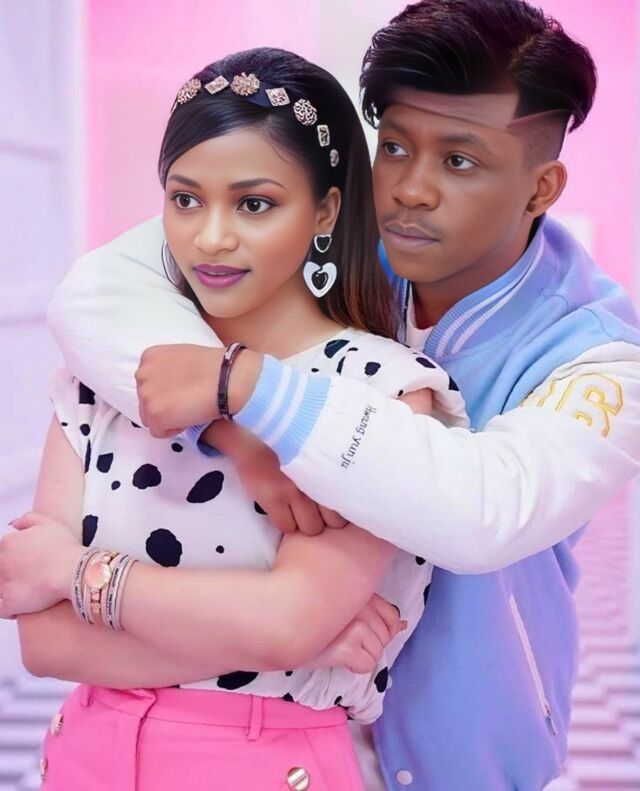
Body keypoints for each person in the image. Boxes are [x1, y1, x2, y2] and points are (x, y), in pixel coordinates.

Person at [16, 0, 640, 788]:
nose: (411, 189)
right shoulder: (312, 240)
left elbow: (482, 511)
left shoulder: (600, 357)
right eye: (396, 146)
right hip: (294, 738)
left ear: (541, 187)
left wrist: (249, 391)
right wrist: (236, 429)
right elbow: (96, 290)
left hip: (463, 756)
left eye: (459, 160)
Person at [0, 47, 468, 790]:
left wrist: (71, 570)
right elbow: (45, 643)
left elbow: (286, 621)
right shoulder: (109, 371)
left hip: (264, 766)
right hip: (85, 759)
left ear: (325, 210)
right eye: (186, 200)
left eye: (254, 204)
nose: (211, 237)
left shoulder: (376, 391)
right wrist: (289, 643)